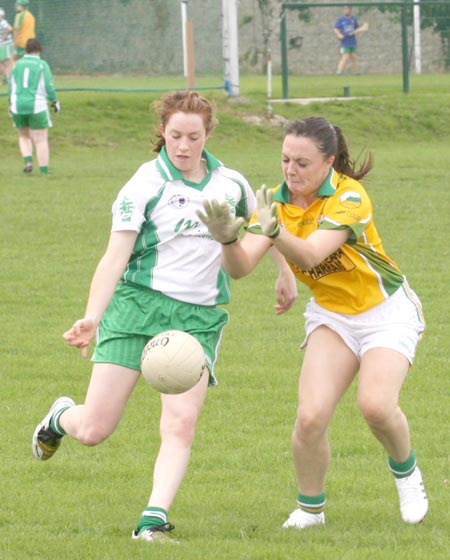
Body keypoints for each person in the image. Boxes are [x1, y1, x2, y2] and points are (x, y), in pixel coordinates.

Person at [31, 91, 297, 543]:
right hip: (136, 307)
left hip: (195, 319)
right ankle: (59, 418)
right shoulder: (143, 185)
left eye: (194, 136)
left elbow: (260, 223)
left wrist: (285, 272)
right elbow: (114, 257)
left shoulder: (230, 183)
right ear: (163, 133)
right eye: (175, 135)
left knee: (180, 422)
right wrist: (93, 316)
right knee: (94, 430)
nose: (184, 146)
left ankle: (151, 521)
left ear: (208, 134)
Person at [197, 116, 429, 529]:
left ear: (330, 162)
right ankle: (310, 509)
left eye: (302, 163)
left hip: (386, 313)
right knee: (310, 417)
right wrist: (227, 240)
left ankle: (407, 473)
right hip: (333, 315)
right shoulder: (277, 204)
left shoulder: (350, 196)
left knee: (375, 406)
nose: (291, 170)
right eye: (286, 159)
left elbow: (310, 255)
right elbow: (240, 268)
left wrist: (275, 232)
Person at [8, 37, 60, 174]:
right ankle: (44, 170)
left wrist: (10, 103)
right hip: (37, 105)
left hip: (17, 105)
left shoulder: (17, 64)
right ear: (40, 49)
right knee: (41, 139)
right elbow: (48, 86)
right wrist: (54, 101)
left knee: (23, 136)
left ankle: (28, 161)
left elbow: (11, 86)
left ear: (26, 49)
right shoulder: (42, 65)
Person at [333, 5, 366, 75]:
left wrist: (359, 33)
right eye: (345, 9)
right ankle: (339, 71)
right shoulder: (341, 19)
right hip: (345, 42)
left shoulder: (353, 19)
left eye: (347, 9)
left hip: (352, 41)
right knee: (345, 56)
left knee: (354, 57)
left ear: (350, 10)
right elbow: (335, 28)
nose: (346, 10)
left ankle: (355, 71)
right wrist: (339, 34)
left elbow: (357, 29)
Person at [0, 7, 13, 84]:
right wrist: (4, 37)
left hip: (1, 45)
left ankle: (5, 79)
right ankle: (8, 79)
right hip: (5, 45)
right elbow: (10, 29)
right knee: (8, 63)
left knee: (3, 63)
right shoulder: (2, 22)